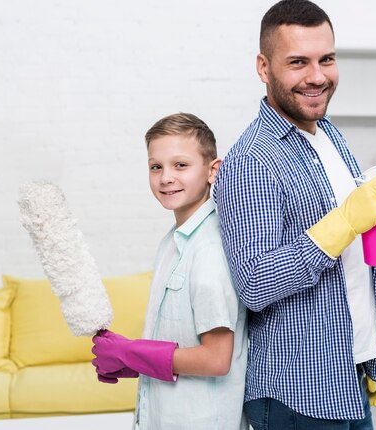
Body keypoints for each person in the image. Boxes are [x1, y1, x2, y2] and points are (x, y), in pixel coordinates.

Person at [213, 1, 376, 429]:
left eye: (327, 59)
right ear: (264, 67)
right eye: (298, 62)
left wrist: (370, 350)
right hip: (296, 396)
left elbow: (350, 267)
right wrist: (341, 224)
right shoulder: (252, 160)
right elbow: (254, 282)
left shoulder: (328, 132)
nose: (317, 76)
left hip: (348, 375)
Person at [91, 113, 248, 430]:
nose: (165, 177)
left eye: (181, 165)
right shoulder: (173, 243)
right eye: (156, 166)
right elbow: (180, 341)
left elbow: (216, 359)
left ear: (212, 171)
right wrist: (132, 361)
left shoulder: (209, 251)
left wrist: (131, 352)